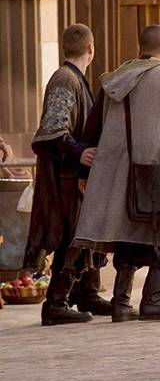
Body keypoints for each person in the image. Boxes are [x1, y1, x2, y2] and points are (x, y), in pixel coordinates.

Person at [74, 25, 160, 322]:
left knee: (130, 232)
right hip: (159, 172)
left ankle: (121, 303)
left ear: (140, 48)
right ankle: (153, 299)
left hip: (119, 175)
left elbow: (91, 130)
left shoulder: (113, 80)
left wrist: (82, 171)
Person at [24, 23, 110, 325]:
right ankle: (56, 303)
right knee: (74, 234)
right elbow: (52, 130)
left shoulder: (76, 78)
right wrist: (79, 151)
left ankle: (86, 293)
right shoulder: (64, 79)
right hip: (65, 178)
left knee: (89, 231)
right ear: (91, 48)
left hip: (79, 177)